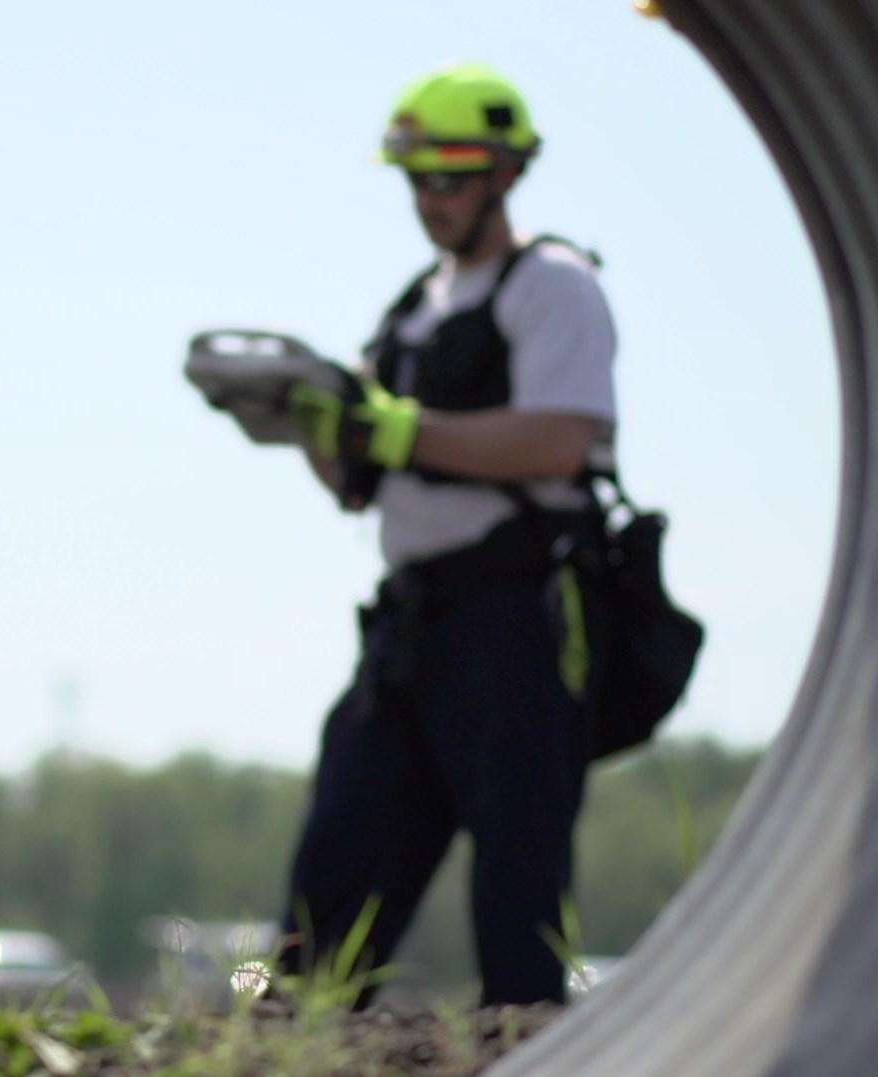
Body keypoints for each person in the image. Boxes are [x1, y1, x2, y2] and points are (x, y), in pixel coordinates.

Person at [274, 61, 619, 1008]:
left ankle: (527, 1037)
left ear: (505, 174)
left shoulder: (550, 285)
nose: (432, 198)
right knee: (328, 878)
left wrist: (400, 429)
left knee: (518, 892)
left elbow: (560, 434)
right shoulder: (412, 309)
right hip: (410, 634)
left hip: (516, 626)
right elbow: (358, 483)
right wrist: (310, 424)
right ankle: (271, 1023)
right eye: (417, 177)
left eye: (452, 176)